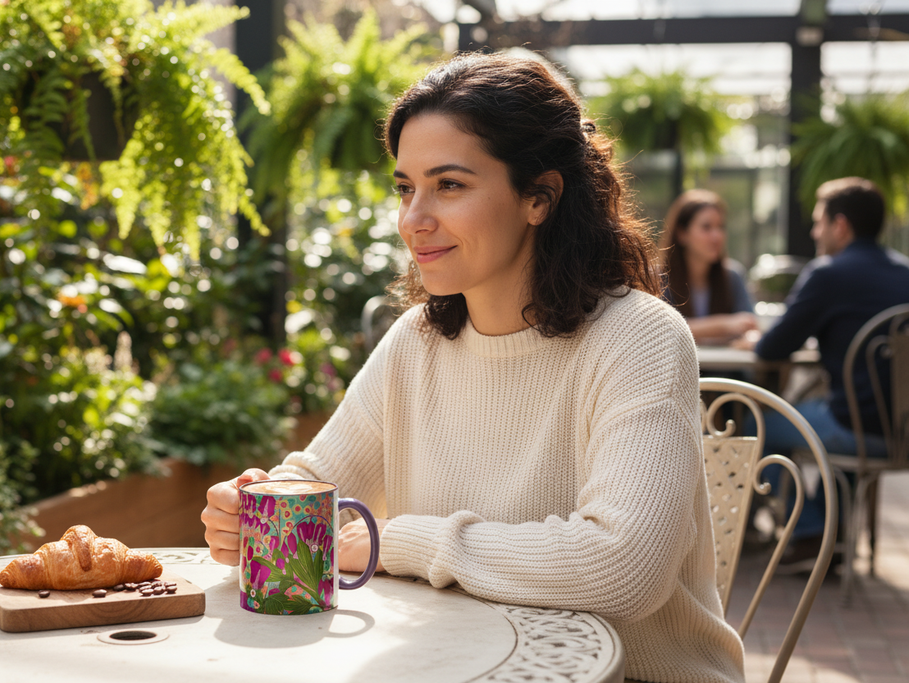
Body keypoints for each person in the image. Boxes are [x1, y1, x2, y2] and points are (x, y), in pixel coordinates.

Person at [203, 52, 744, 683]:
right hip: (455, 664)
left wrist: (403, 541)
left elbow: (622, 568)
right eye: (406, 188)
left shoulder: (637, 338)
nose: (413, 220)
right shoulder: (415, 342)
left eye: (450, 185)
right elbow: (322, 490)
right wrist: (253, 507)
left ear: (539, 196)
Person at [752, 177, 909, 571]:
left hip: (854, 429)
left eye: (819, 222)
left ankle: (806, 531)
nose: (813, 232)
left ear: (841, 226)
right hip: (902, 434)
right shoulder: (905, 273)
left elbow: (771, 349)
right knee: (839, 410)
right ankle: (829, 535)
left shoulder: (829, 274)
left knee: (756, 425)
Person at [659, 189, 758, 344]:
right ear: (682, 234)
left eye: (720, 227)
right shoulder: (658, 279)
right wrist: (725, 325)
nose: (717, 236)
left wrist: (751, 338)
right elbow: (660, 330)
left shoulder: (733, 276)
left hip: (726, 367)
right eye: (706, 227)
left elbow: (749, 325)